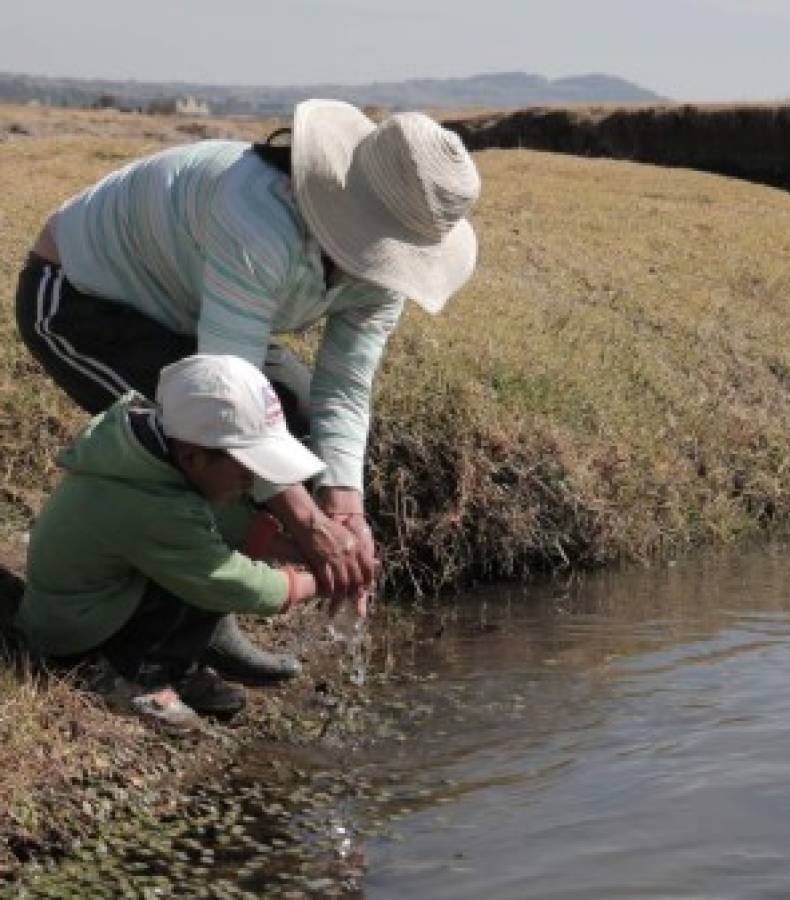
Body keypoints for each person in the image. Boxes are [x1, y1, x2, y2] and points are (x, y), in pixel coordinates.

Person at [14, 100, 481, 680]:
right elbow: (223, 418)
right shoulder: (257, 217)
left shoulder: (388, 265)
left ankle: (203, 620)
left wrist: (343, 507)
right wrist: (309, 529)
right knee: (195, 452)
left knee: (295, 414)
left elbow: (344, 387)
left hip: (194, 315)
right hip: (85, 299)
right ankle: (148, 654)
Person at [15, 355, 339, 727]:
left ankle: (188, 661)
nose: (254, 481)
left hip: (110, 592)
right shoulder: (150, 505)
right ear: (194, 457)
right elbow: (229, 582)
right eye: (246, 469)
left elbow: (217, 514)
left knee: (195, 560)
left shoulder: (157, 455)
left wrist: (281, 546)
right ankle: (130, 676)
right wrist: (313, 581)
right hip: (78, 628)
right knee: (201, 575)